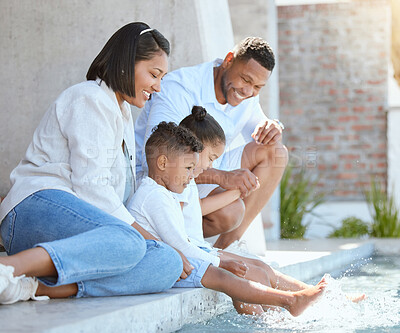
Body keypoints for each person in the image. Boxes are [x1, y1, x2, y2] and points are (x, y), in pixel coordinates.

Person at [0, 22, 183, 305]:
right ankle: (9, 268)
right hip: (33, 208)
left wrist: (161, 242)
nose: (157, 87)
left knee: (166, 263)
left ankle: (31, 288)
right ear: (126, 63)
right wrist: (146, 237)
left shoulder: (120, 112)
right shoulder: (90, 98)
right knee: (131, 242)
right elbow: (92, 188)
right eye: (154, 74)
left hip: (80, 228)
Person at [128, 121, 327, 317]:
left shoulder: (165, 192)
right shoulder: (154, 197)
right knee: (244, 274)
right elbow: (181, 246)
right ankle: (277, 313)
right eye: (189, 168)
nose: (193, 175)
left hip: (190, 256)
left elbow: (187, 238)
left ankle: (277, 318)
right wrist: (220, 262)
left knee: (258, 270)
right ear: (162, 163)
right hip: (177, 266)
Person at [135, 36, 288, 250]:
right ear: (228, 60)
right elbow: (157, 158)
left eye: (257, 87)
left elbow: (262, 129)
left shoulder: (247, 96)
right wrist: (222, 177)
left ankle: (228, 249)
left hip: (204, 168)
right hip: (164, 178)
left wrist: (274, 126)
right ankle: (182, 239)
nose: (248, 92)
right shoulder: (181, 87)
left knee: (275, 152)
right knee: (230, 211)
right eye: (245, 79)